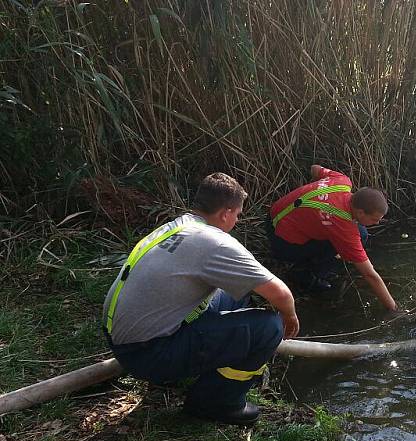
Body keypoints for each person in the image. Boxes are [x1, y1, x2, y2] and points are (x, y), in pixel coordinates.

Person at [102, 173, 299, 425]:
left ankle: (205, 361)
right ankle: (214, 403)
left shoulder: (178, 226)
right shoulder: (214, 242)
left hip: (125, 338)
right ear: (226, 213)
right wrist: (289, 317)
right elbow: (281, 293)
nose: (237, 221)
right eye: (238, 215)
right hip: (148, 354)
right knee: (269, 327)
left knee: (236, 291)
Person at [268, 165, 398, 312]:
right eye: (375, 219)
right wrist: (393, 309)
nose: (377, 223)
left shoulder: (342, 181)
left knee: (360, 233)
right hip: (282, 243)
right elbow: (370, 275)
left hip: (275, 215)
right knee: (355, 237)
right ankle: (306, 275)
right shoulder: (343, 228)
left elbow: (314, 168)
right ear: (361, 213)